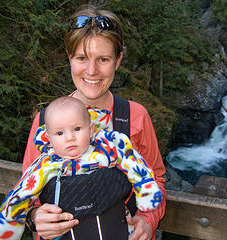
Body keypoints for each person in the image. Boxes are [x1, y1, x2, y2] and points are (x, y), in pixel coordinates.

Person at [22, 4, 166, 240]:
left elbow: (157, 179)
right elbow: (28, 190)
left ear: (118, 60)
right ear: (69, 58)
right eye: (81, 58)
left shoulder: (135, 116)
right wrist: (34, 216)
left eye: (103, 59)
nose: (91, 70)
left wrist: (148, 220)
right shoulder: (45, 120)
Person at [0, 97, 162, 240]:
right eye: (60, 133)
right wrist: (9, 229)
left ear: (91, 129)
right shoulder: (45, 165)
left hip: (118, 230)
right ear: (48, 138)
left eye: (77, 129)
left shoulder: (105, 149)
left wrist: (147, 194)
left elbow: (133, 163)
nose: (70, 138)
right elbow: (20, 195)